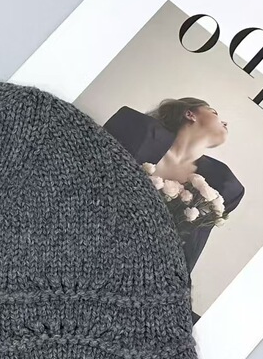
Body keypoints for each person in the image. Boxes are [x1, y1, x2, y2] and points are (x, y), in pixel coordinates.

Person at [102, 98, 245, 323]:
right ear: (190, 114)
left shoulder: (224, 184)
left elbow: (189, 250)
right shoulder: (136, 130)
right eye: (214, 112)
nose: (225, 122)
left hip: (147, 283)